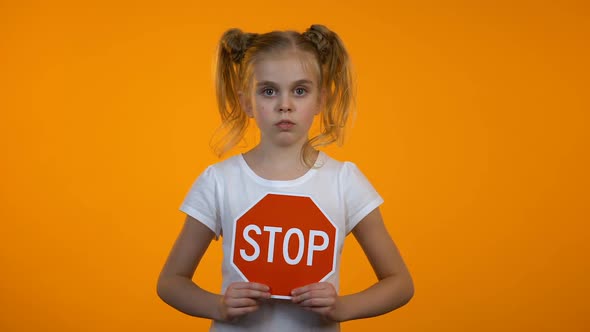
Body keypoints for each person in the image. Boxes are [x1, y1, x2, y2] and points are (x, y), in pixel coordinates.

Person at [157, 24, 414, 331]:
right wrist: (219, 306)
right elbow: (171, 282)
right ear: (246, 102)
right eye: (268, 91)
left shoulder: (344, 181)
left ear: (321, 100)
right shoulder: (219, 181)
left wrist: (343, 307)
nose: (284, 104)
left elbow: (400, 283)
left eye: (300, 90)